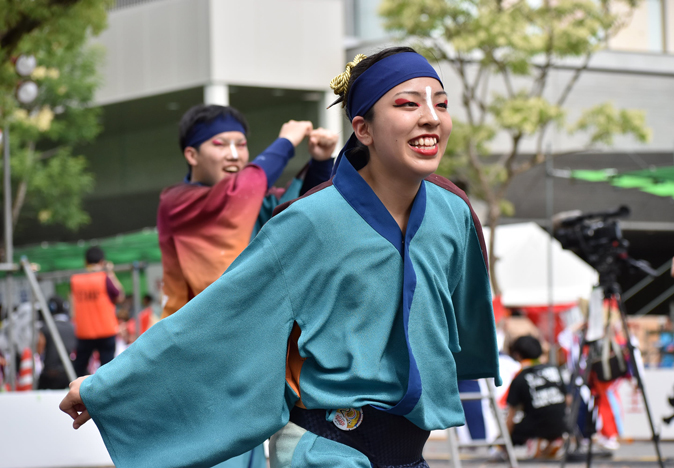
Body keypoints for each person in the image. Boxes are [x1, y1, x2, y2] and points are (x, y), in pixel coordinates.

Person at [60, 47, 500, 468]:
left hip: (407, 447)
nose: (431, 118)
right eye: (408, 104)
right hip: (326, 443)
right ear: (362, 129)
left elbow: (461, 316)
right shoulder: (308, 220)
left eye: (441, 104)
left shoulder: (453, 212)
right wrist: (108, 386)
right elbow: (213, 315)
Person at [159, 105, 338, 318]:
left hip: (249, 324)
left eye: (241, 144)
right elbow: (239, 192)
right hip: (193, 330)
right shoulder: (176, 202)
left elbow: (300, 211)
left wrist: (321, 162)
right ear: (192, 155)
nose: (234, 155)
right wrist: (286, 143)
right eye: (220, 144)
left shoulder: (256, 200)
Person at [506, 335, 567, 457]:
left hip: (536, 427)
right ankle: (553, 440)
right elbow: (567, 399)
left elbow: (510, 416)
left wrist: (502, 442)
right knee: (546, 414)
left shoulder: (520, 378)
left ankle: (534, 441)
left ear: (517, 355)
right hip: (562, 425)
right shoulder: (554, 369)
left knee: (517, 430)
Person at [70, 246, 124, 377]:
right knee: (107, 371)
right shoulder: (104, 277)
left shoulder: (75, 279)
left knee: (80, 369)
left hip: (84, 332)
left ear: (85, 262)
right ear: (102, 261)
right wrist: (110, 272)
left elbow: (72, 305)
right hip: (106, 330)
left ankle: (78, 394)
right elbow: (120, 296)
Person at [37, 296, 77, 389]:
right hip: (70, 374)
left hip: (50, 375)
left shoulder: (45, 328)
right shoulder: (73, 327)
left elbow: (38, 351)